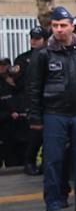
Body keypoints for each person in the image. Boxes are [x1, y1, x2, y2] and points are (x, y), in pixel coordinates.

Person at [25, 6, 76, 211]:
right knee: (53, 160)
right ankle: (53, 202)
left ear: (72, 27)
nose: (59, 30)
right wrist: (35, 117)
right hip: (54, 113)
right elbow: (33, 88)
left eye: (63, 25)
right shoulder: (43, 54)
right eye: (55, 26)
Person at [15, 26, 47, 174]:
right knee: (35, 134)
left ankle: (45, 162)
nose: (33, 41)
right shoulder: (23, 59)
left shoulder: (49, 54)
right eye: (32, 38)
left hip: (48, 99)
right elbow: (18, 80)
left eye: (37, 38)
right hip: (30, 100)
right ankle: (29, 161)